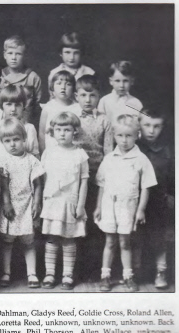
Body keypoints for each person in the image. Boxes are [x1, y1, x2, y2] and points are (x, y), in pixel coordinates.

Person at [95, 114, 157, 292]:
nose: (124, 140)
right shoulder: (109, 159)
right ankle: (105, 276)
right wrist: (98, 207)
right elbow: (101, 184)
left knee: (125, 242)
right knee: (110, 242)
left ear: (137, 135)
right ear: (114, 135)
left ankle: (128, 277)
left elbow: (146, 186)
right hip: (109, 206)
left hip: (128, 207)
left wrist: (141, 210)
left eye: (129, 136)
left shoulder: (141, 159)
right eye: (120, 136)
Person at [40, 112, 89, 290]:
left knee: (69, 239)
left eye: (67, 129)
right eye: (58, 129)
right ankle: (49, 273)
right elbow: (44, 179)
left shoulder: (80, 154)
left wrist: (81, 205)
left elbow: (84, 181)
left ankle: (67, 274)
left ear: (74, 131)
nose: (62, 133)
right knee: (52, 238)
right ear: (53, 131)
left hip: (70, 202)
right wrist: (44, 200)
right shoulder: (48, 153)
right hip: (53, 201)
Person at [73, 75, 114, 279]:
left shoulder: (104, 120)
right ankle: (76, 269)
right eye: (83, 95)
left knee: (96, 220)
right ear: (76, 96)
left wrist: (103, 178)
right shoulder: (72, 119)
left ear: (99, 96)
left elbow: (108, 153)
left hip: (98, 177)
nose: (88, 99)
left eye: (92, 95)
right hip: (77, 178)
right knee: (78, 220)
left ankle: (96, 268)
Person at [0, 118, 44, 289]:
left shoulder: (32, 160)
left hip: (27, 204)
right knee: (8, 241)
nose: (13, 144)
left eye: (16, 139)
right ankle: (6, 272)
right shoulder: (4, 161)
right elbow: (3, 187)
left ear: (24, 139)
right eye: (7, 141)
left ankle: (32, 273)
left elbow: (38, 184)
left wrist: (37, 203)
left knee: (28, 241)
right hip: (10, 206)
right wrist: (7, 204)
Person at [136, 107, 174, 289]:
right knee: (135, 238)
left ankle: (161, 271)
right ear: (139, 125)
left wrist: (172, 195)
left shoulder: (168, 150)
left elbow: (173, 176)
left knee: (159, 237)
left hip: (159, 201)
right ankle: (135, 272)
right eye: (147, 125)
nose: (151, 131)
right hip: (136, 202)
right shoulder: (134, 147)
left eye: (156, 126)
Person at [0, 85, 39, 165]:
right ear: (2, 106)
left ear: (23, 106)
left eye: (18, 105)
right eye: (9, 104)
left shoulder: (29, 128)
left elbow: (34, 156)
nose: (13, 109)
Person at [39, 70, 80, 152]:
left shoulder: (78, 108)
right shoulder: (48, 107)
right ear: (52, 87)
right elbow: (42, 133)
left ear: (73, 88)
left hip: (72, 152)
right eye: (59, 83)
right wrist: (43, 152)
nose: (63, 87)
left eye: (68, 84)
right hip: (52, 153)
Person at [0, 35, 42, 110]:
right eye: (10, 53)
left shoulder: (32, 77)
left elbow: (37, 102)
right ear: (4, 55)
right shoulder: (0, 75)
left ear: (25, 56)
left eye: (18, 54)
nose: (13, 58)